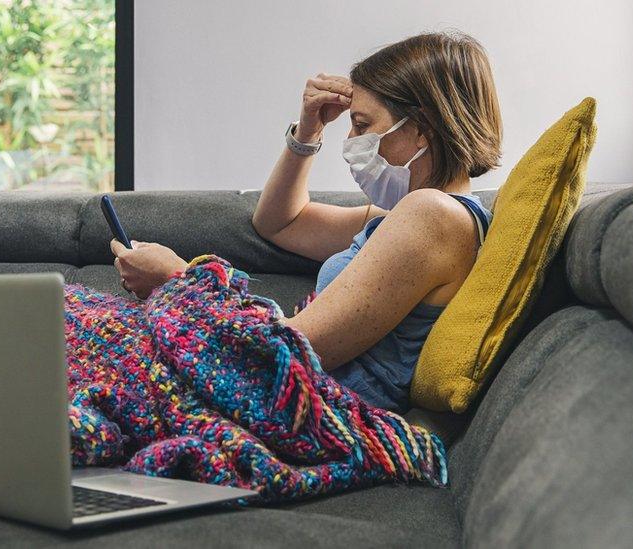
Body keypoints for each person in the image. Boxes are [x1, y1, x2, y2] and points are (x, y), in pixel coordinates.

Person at [110, 31, 502, 414]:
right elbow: (280, 222)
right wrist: (309, 129)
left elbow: (291, 348)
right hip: (294, 391)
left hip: (310, 408)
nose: (350, 139)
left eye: (363, 125)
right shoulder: (403, 215)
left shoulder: (433, 217)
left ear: (422, 128)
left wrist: (178, 281)